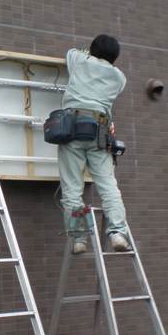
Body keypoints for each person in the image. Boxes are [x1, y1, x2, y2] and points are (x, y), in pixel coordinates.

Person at [58, 34, 131, 254]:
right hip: (99, 134)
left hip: (72, 130)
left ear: (92, 49)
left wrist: (85, 52)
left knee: (72, 189)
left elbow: (71, 52)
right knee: (108, 187)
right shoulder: (119, 78)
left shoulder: (79, 60)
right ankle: (117, 232)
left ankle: (79, 239)